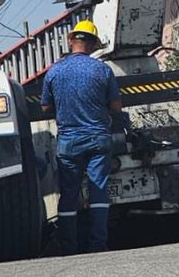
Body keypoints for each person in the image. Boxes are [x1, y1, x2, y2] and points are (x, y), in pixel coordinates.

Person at [41, 19, 122, 255]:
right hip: (98, 139)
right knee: (99, 191)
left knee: (68, 194)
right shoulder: (102, 69)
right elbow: (116, 105)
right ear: (94, 43)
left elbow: (45, 107)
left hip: (68, 142)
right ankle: (98, 244)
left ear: (70, 40)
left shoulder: (54, 71)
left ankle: (69, 247)